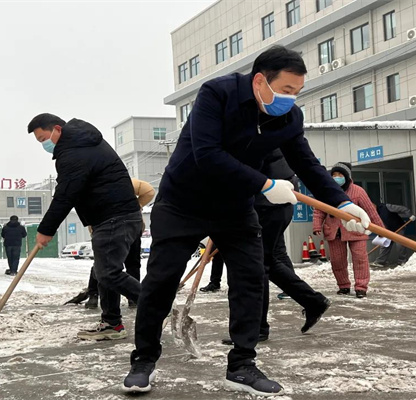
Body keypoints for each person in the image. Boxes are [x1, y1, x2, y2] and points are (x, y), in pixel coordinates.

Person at [123, 46, 372, 397]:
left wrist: (343, 203)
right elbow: (207, 154)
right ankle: (143, 360)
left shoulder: (289, 118)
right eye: (286, 90)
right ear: (259, 81)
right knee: (161, 281)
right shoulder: (217, 94)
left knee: (251, 279)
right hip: (183, 201)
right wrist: (265, 184)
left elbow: (307, 164)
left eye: (297, 92)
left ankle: (242, 364)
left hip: (235, 206)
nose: (291, 99)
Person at [27, 113, 142, 341]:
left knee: (108, 273)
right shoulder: (83, 142)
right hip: (112, 216)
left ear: (57, 129)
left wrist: (46, 230)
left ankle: (157, 303)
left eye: (43, 139)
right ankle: (112, 324)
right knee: (105, 271)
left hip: (114, 216)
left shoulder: (74, 152)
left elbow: (66, 194)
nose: (44, 145)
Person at [221, 149, 330, 346]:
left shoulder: (255, 138)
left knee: (256, 264)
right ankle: (313, 301)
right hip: (274, 204)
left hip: (266, 205)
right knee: (266, 261)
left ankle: (256, 328)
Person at [67, 179, 155, 309]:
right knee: (124, 264)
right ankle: (132, 298)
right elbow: (148, 191)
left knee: (105, 265)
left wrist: (135, 206)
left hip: (109, 228)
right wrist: (135, 206)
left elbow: (148, 190)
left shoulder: (93, 185)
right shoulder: (121, 181)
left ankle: (95, 296)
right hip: (129, 226)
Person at [313, 162, 384, 299]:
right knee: (337, 261)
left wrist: (380, 229)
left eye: (340, 175)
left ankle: (361, 287)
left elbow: (370, 211)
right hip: (334, 231)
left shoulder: (358, 191)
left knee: (360, 259)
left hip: (356, 231)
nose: (336, 177)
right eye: (334, 175)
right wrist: (317, 226)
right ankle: (343, 285)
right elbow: (319, 209)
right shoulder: (327, 191)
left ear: (347, 176)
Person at [371, 203, 415, 268]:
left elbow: (404, 209)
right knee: (385, 244)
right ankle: (380, 261)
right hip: (388, 230)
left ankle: (402, 261)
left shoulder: (386, 207)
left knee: (400, 244)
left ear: (374, 206)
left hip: (398, 227)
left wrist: (409, 216)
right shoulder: (373, 215)